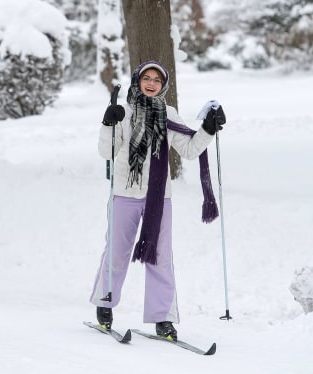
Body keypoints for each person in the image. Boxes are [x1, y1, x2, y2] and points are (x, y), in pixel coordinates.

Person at [89, 60, 226, 341]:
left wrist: (209, 129)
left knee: (161, 257)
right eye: (146, 78)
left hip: (159, 197)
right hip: (125, 195)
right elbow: (107, 151)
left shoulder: (169, 113)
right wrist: (108, 122)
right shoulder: (124, 112)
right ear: (138, 80)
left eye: (157, 80)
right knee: (116, 252)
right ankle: (105, 302)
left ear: (163, 85)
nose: (151, 83)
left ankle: (162, 318)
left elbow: (188, 149)